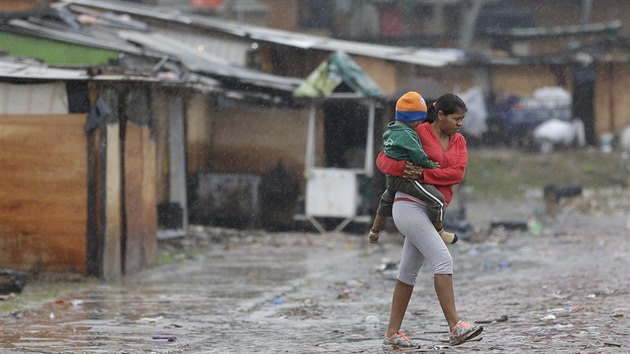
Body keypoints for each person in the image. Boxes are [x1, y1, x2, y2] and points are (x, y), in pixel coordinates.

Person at [378, 93, 483, 347]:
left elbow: (457, 173)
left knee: (407, 272)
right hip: (409, 207)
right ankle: (455, 326)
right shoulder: (418, 132)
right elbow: (384, 160)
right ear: (440, 115)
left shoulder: (459, 142)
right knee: (443, 259)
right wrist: (405, 170)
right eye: (456, 118)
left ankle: (392, 334)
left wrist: (424, 173)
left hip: (433, 210)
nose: (460, 124)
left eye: (462, 119)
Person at [368, 91, 457, 245]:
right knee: (438, 200)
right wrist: (428, 166)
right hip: (406, 180)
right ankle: (440, 232)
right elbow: (417, 154)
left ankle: (374, 231)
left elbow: (386, 153)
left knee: (385, 200)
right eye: (456, 118)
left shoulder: (390, 131)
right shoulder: (409, 134)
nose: (420, 124)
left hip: (392, 179)